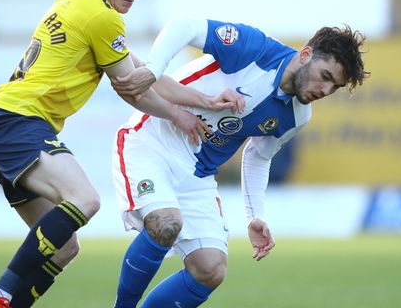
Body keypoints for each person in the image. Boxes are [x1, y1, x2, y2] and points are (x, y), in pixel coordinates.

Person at [0, 0, 227, 308]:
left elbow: (143, 73)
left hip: (3, 124)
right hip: (17, 121)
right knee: (85, 200)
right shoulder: (102, 17)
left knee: (63, 249)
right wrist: (177, 116)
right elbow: (133, 90)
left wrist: (202, 100)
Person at [110, 19, 369, 308]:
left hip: (197, 174)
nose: (324, 90)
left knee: (210, 270)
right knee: (166, 224)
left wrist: (255, 214)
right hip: (153, 140)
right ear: (306, 55)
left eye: (334, 87)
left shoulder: (298, 116)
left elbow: (258, 156)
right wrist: (153, 70)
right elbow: (185, 26)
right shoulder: (255, 49)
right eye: (325, 75)